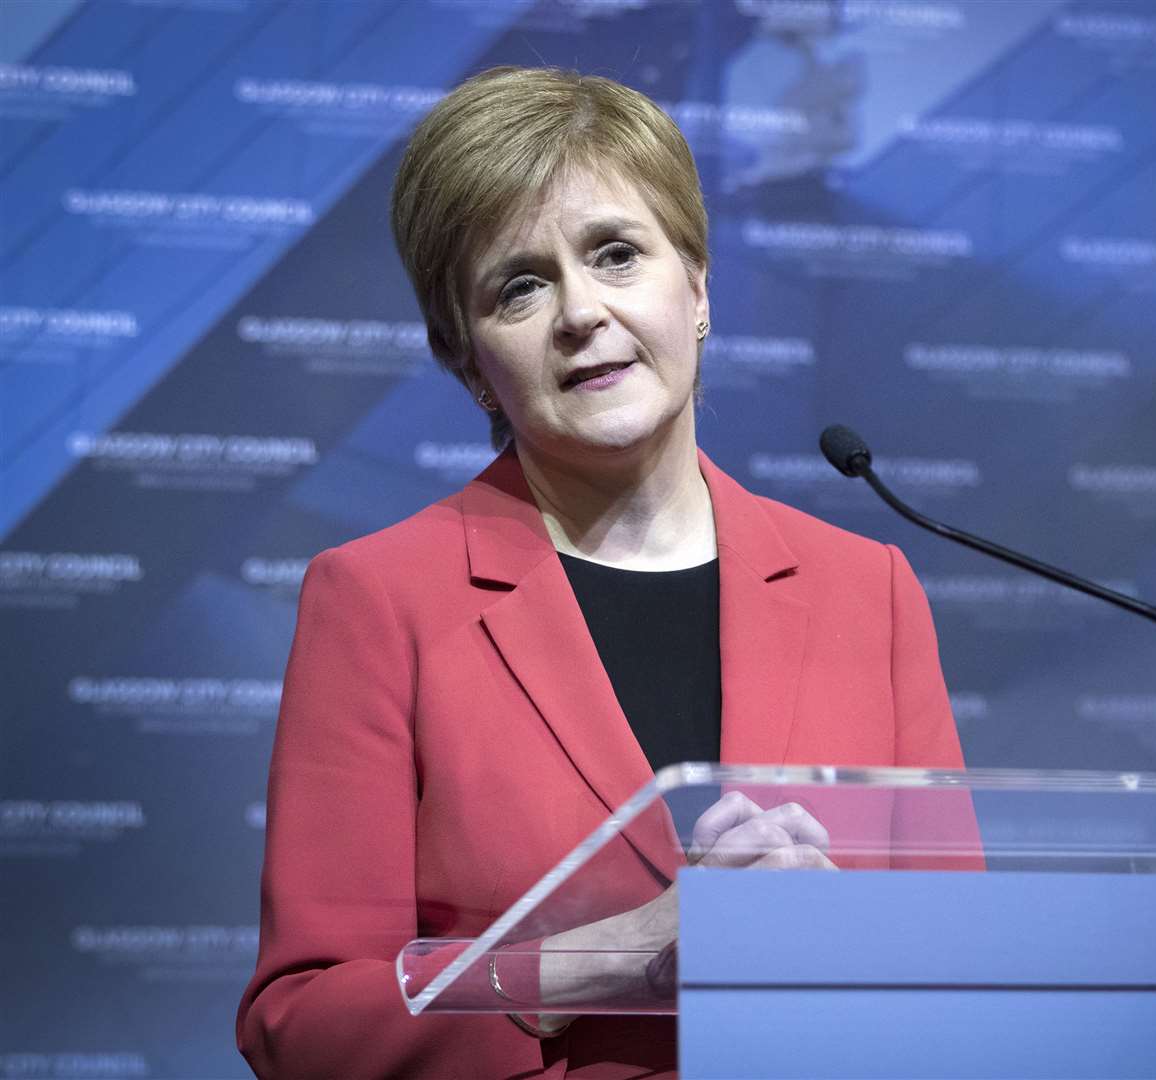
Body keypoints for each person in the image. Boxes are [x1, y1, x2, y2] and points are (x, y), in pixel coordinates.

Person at [236, 66, 969, 1079]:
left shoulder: (868, 591)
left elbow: (966, 980)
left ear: (698, 289)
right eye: (520, 285)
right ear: (465, 358)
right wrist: (613, 955)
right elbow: (305, 1025)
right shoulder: (379, 600)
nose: (580, 311)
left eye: (617, 254)